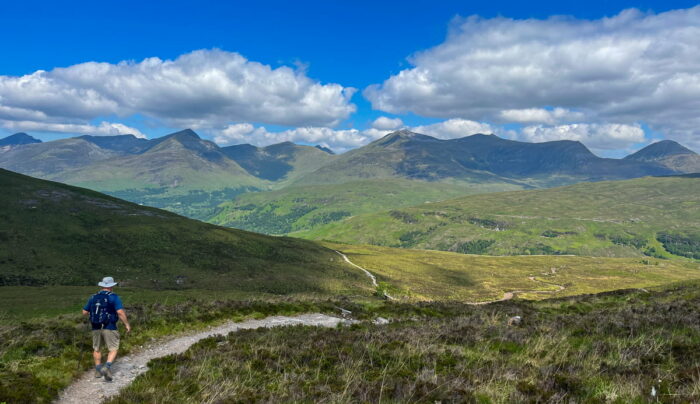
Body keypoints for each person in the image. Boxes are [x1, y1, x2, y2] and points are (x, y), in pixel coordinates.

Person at [82, 276, 131, 382]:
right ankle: (107, 366)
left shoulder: (93, 297)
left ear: (102, 286)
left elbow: (84, 312)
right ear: (112, 286)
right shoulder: (114, 297)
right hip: (110, 327)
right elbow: (120, 312)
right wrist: (127, 324)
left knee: (97, 348)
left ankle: (98, 370)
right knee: (113, 348)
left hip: (95, 327)